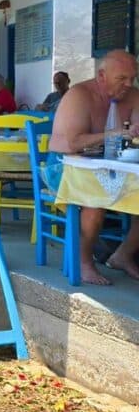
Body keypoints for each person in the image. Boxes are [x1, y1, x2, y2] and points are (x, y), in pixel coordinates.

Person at [50, 49, 139, 285]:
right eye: (122, 79)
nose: (129, 84)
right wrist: (115, 133)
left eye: (133, 78)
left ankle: (123, 255)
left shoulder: (132, 95)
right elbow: (72, 142)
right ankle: (84, 262)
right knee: (94, 201)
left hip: (113, 168)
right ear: (101, 76)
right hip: (65, 169)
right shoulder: (79, 95)